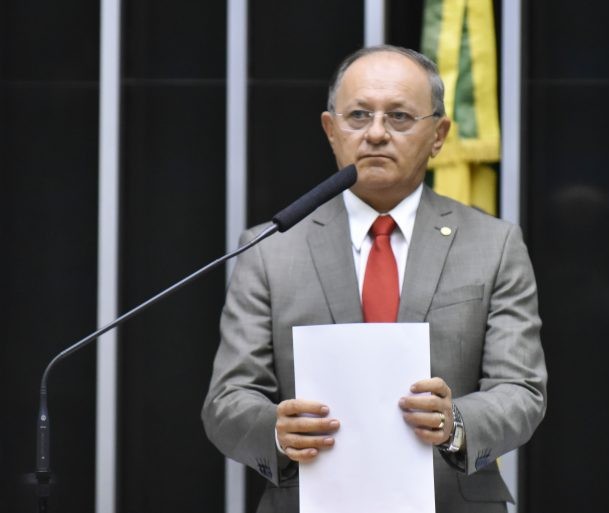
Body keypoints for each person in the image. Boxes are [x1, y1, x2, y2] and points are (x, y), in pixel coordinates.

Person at [202, 45, 547, 513]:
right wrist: (277, 432)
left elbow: (522, 390)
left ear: (439, 134)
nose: (377, 133)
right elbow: (227, 400)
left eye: (400, 117)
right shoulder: (269, 248)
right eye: (359, 115)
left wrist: (456, 423)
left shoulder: (494, 244)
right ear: (331, 130)